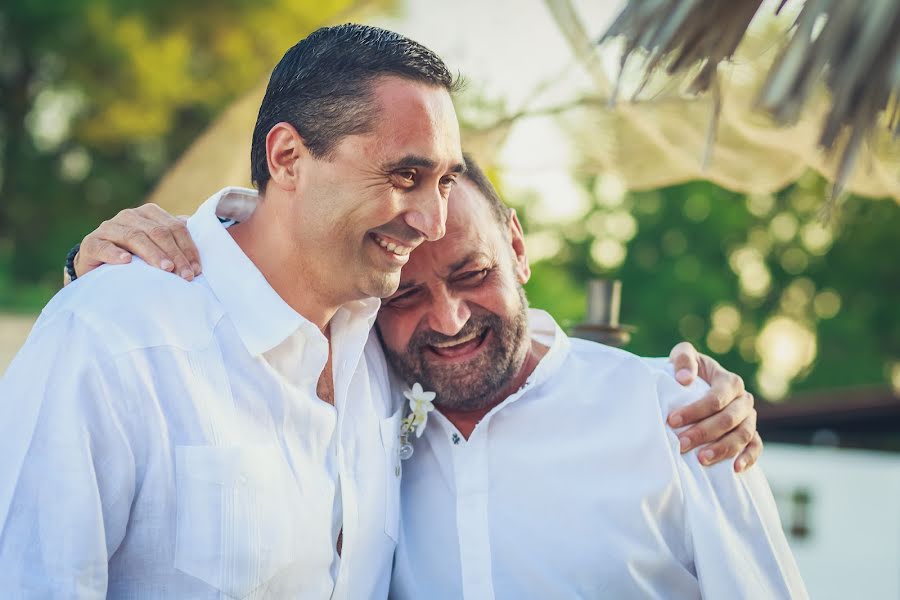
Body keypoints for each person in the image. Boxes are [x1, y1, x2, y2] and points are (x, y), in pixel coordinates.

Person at [71, 158, 785, 598]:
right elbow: (266, 271)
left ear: (516, 245)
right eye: (404, 296)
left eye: (473, 275)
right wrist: (92, 263)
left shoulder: (675, 415)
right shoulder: (364, 399)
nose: (446, 320)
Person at [0, 24, 465, 598]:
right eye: (405, 177)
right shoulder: (108, 336)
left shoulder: (388, 341)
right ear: (288, 157)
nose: (434, 221)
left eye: (444, 182)